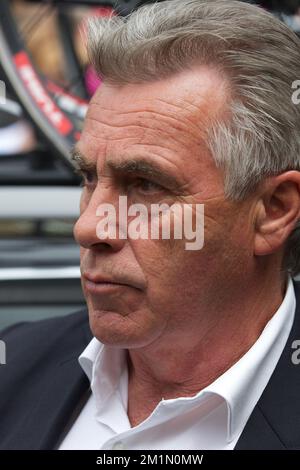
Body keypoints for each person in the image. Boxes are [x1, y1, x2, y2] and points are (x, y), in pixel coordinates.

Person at [1, 0, 300, 450]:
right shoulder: (14, 366)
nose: (88, 227)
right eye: (88, 177)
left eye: (145, 185)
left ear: (273, 210)